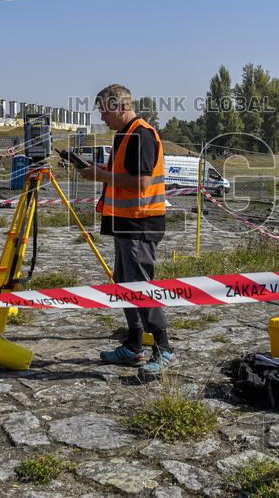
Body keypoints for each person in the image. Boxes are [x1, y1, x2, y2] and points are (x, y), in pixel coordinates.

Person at [77, 84, 172, 376]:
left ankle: (164, 347)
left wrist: (99, 174)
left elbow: (141, 183)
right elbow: (122, 176)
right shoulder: (124, 135)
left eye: (105, 110)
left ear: (120, 106)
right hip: (125, 222)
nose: (102, 117)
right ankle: (133, 345)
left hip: (140, 223)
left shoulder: (140, 135)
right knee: (124, 283)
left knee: (139, 285)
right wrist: (99, 171)